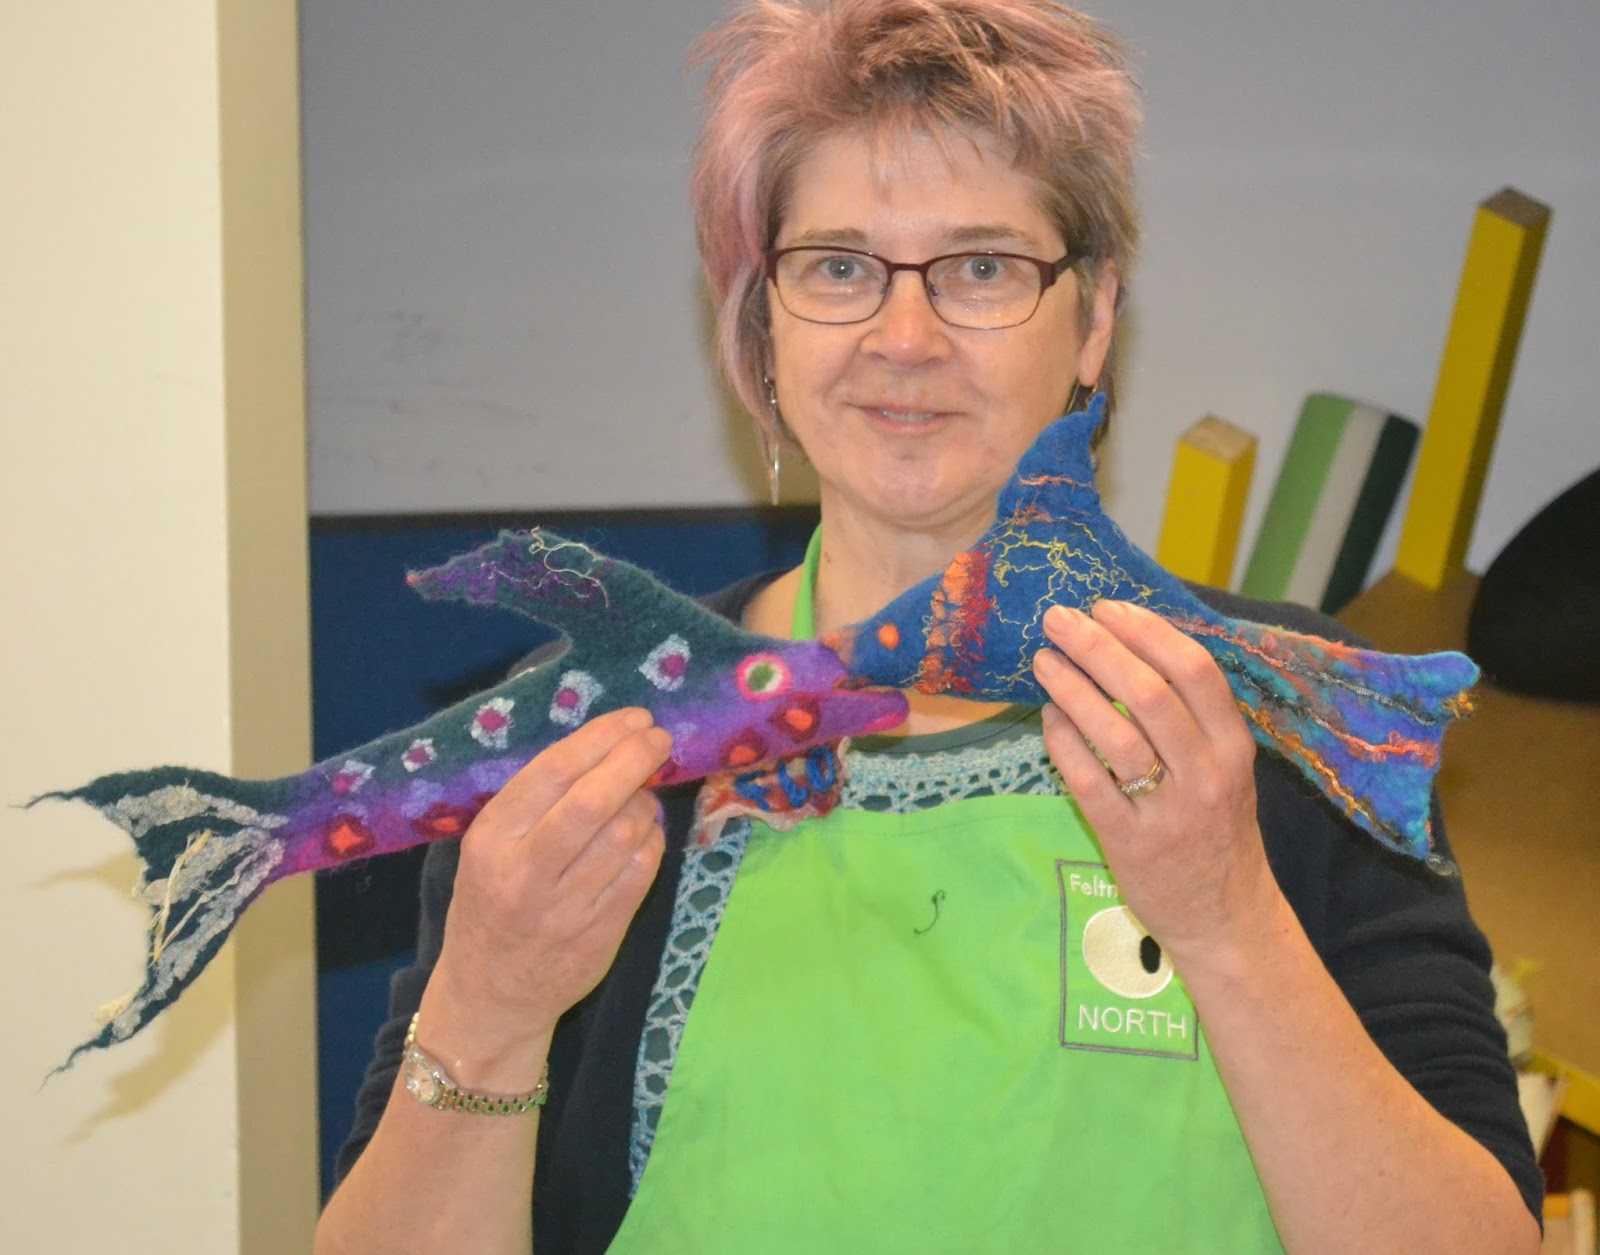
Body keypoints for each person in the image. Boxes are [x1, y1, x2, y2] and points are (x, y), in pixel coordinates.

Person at [315, 2, 1543, 1251]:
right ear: (762, 322)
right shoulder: (606, 728)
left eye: (982, 268)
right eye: (838, 267)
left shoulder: (1279, 713)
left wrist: (1228, 917)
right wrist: (488, 1007)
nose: (904, 339)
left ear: (1093, 317)